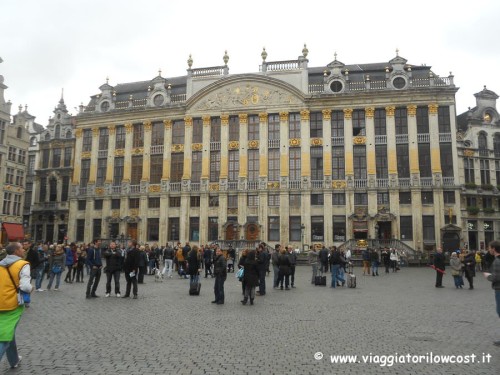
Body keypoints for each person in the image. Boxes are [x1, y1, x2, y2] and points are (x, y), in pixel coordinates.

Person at [0, 242, 33, 369]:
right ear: (16, 251)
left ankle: (14, 360)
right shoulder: (22, 264)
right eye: (21, 248)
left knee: (9, 332)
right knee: (4, 338)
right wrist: (31, 288)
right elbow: (25, 286)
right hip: (12, 304)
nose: (23, 250)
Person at [483, 240, 500, 346]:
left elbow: (496, 277)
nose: (488, 250)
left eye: (489, 247)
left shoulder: (497, 261)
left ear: (494, 249)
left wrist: (488, 276)